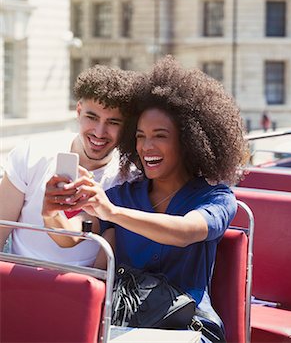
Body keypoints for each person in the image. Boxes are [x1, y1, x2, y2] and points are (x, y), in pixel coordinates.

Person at [43, 56, 249, 341]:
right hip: (125, 325)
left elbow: (186, 232)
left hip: (190, 329)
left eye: (159, 135)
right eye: (140, 136)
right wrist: (50, 212)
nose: (146, 146)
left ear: (189, 140)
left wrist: (112, 212)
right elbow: (75, 236)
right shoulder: (122, 196)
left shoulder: (216, 197)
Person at [0, 65, 140, 266]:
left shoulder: (129, 179)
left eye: (113, 122)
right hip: (18, 281)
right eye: (92, 117)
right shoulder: (32, 152)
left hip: (81, 290)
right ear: (79, 111)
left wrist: (51, 213)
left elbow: (71, 238)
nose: (99, 132)